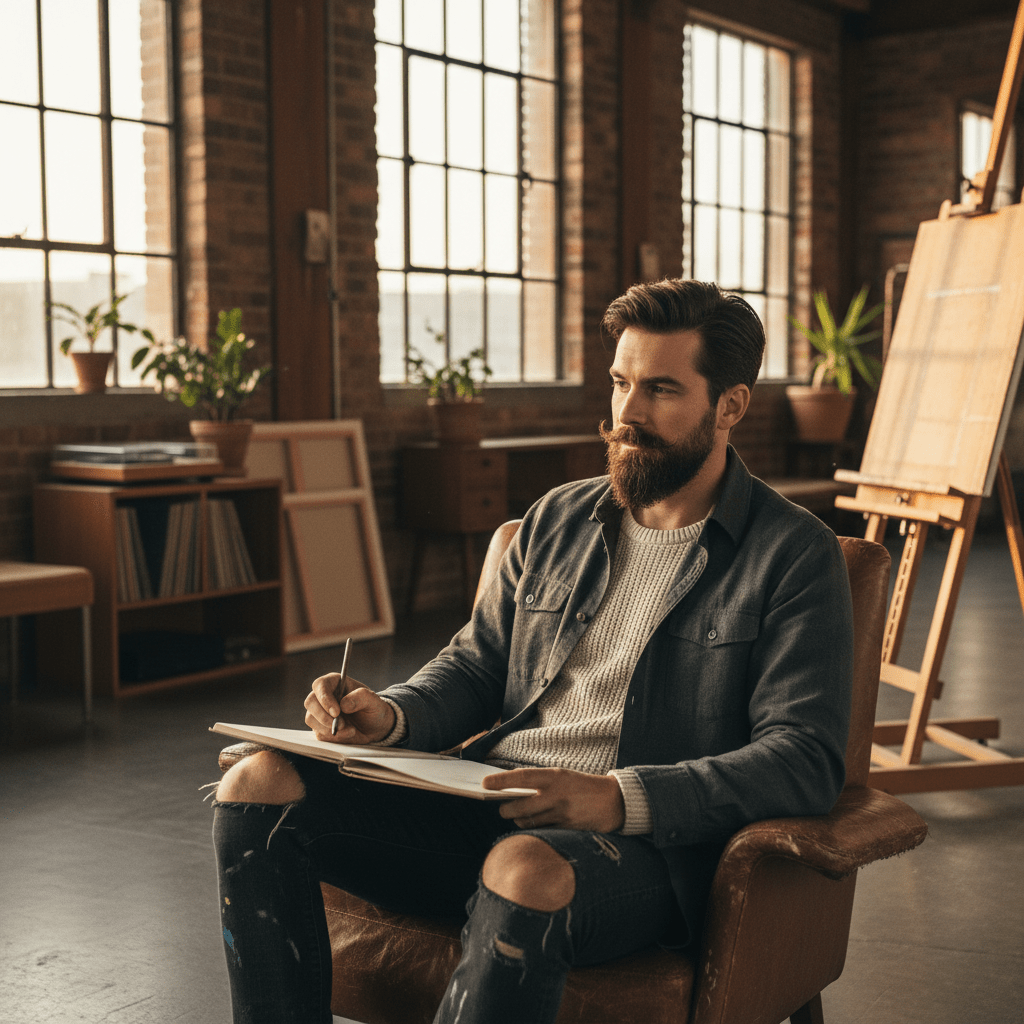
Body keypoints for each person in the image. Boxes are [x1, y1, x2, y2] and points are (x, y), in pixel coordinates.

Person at [212, 278, 854, 1024]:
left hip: (641, 852)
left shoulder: (794, 555)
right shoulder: (556, 518)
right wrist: (386, 717)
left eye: (662, 390)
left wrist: (617, 797)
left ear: (730, 406)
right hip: (487, 802)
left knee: (523, 866)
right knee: (258, 786)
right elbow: (478, 664)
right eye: (620, 383)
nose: (628, 414)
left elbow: (803, 757)